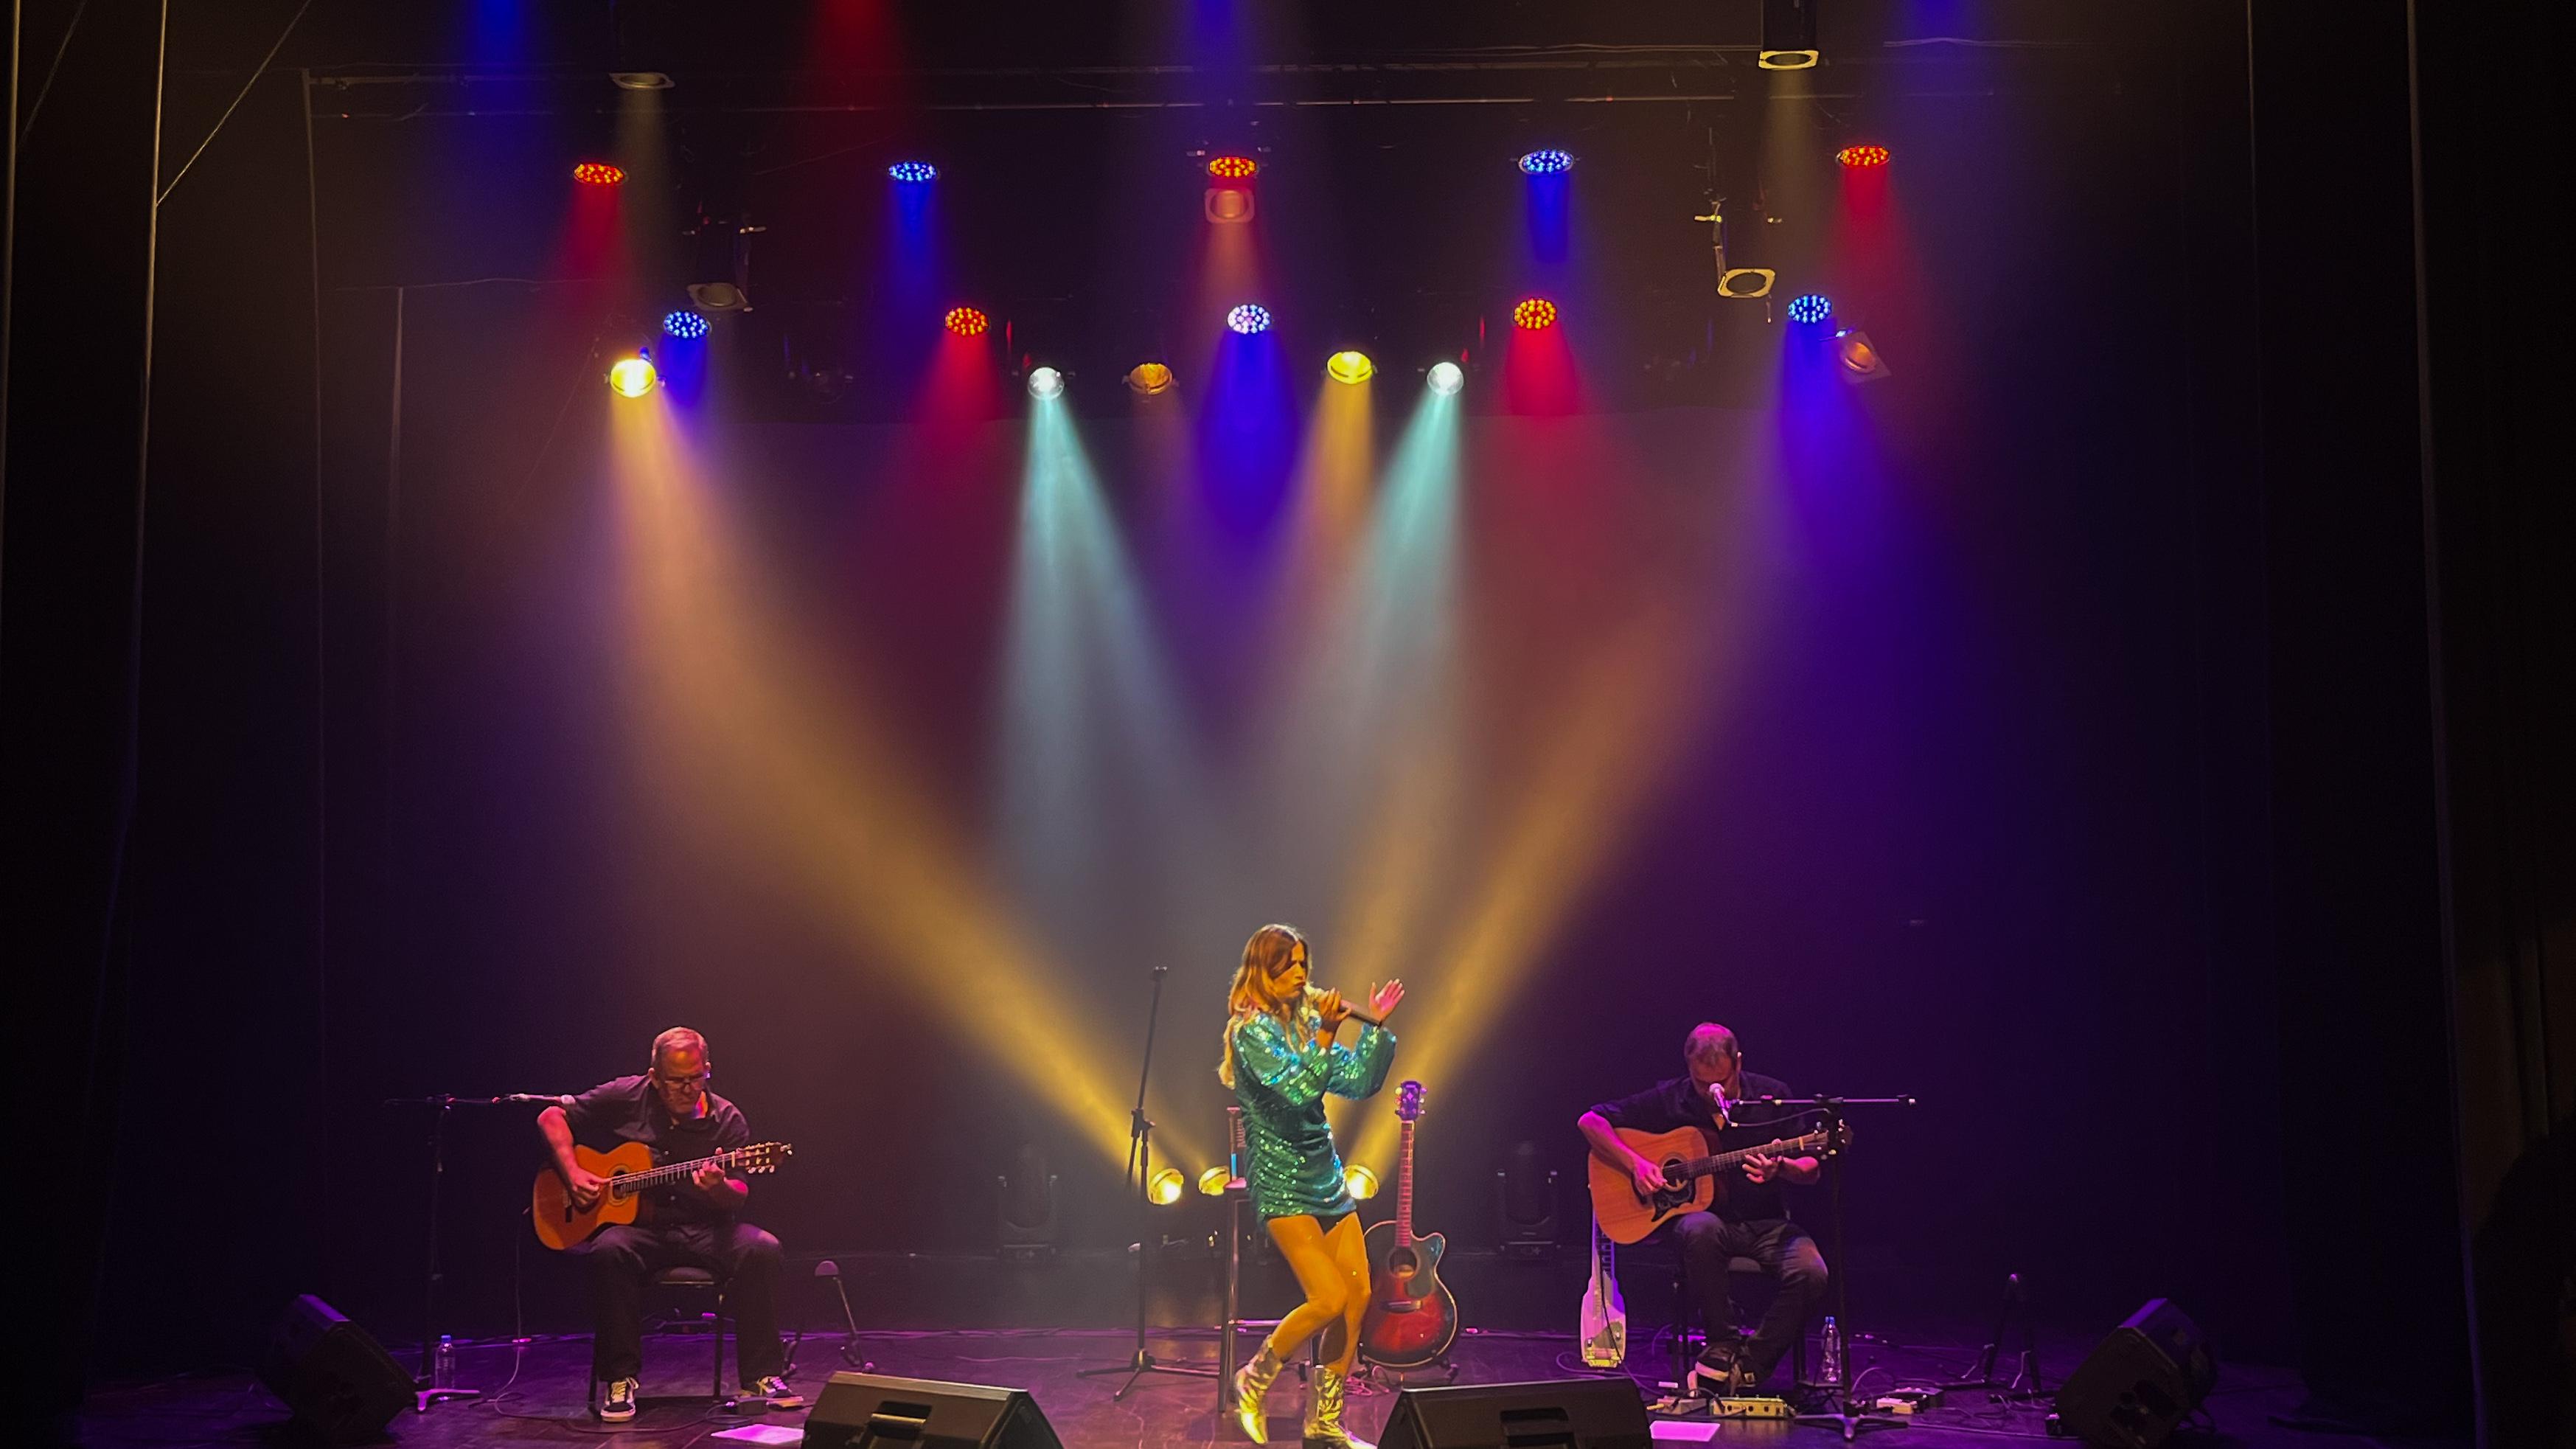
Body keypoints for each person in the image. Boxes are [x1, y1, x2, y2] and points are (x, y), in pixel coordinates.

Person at [537, 1027, 801, 1422]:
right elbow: (550, 1115)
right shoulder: (627, 1095)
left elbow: (738, 1193)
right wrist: (573, 1172)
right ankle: (620, 1378)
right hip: (644, 1232)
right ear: (654, 1078)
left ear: (707, 1069)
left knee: (762, 1248)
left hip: (707, 1230)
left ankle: (762, 1376)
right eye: (676, 1081)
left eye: (697, 1077)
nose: (688, 1089)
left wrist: (718, 1188)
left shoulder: (727, 1119)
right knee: (609, 1250)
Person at [1221, 925, 1404, 1448]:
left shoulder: (1302, 1021)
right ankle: (1254, 1377)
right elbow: (1301, 1091)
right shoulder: (1251, 1032)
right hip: (1281, 1177)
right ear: (1265, 970)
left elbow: (1359, 1081)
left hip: (1325, 1172)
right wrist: (1324, 1034)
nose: (1302, 973)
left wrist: (1374, 1028)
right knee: (1327, 1297)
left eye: (1304, 962)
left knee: (1358, 1295)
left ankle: (1323, 1424)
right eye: (1291, 964)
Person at [1576, 1023, 1828, 1393]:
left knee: (1812, 1272)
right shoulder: (1670, 1099)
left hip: (1768, 1224)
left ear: (1738, 1063)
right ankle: (1722, 1344)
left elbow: (1811, 1168)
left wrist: (1783, 1168)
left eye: (1721, 1083)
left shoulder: (1772, 1097)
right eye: (1701, 1083)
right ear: (1688, 1068)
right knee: (1700, 1227)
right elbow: (1590, 1121)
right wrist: (1636, 1164)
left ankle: (1750, 1363)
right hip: (1707, 1229)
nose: (1712, 1093)